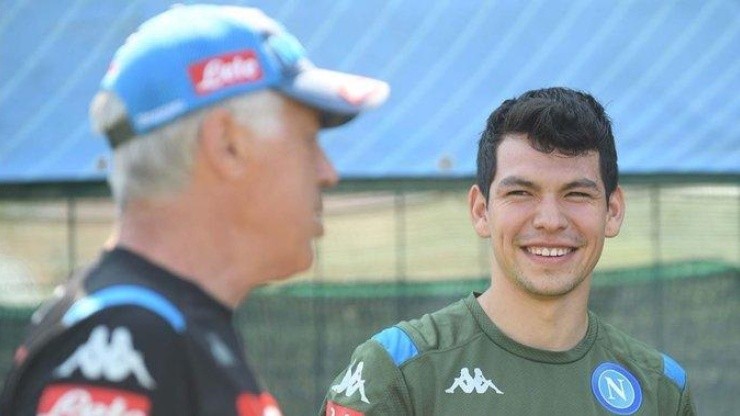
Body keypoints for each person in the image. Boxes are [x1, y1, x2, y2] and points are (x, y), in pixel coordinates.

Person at [0, 4, 389, 415]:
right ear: (227, 144)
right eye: (308, 140)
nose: (328, 173)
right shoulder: (124, 341)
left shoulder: (155, 327)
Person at [320, 87, 696, 415]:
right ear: (481, 211)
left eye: (577, 194)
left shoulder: (660, 389)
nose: (550, 220)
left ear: (612, 212)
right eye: (520, 193)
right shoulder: (397, 371)